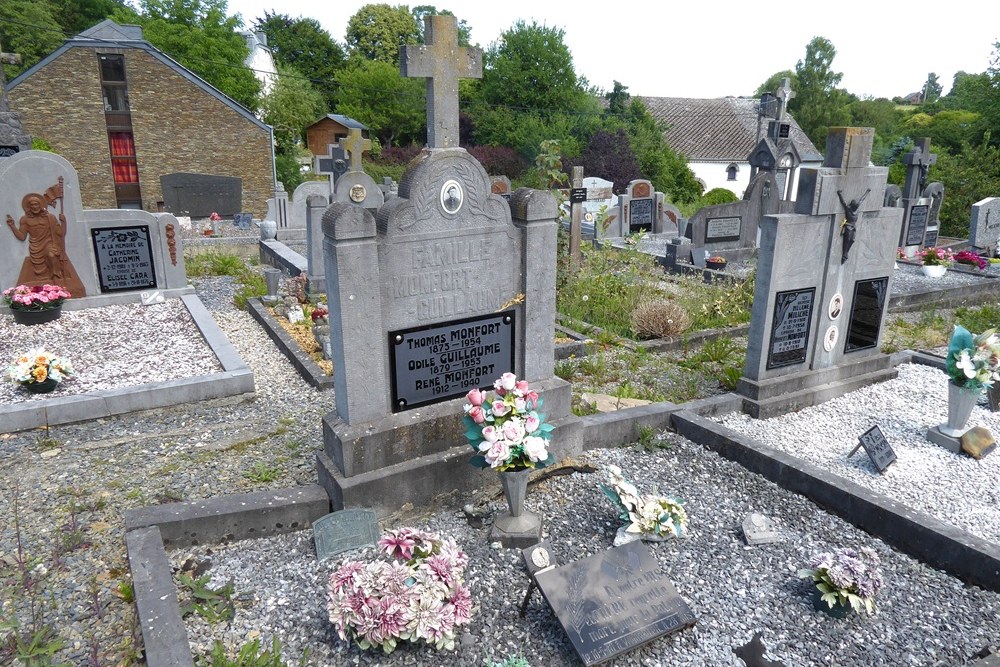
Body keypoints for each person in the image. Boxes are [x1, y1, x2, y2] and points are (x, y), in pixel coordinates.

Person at [6, 192, 86, 295]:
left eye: (37, 204)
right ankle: (46, 286)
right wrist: (12, 226)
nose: (35, 207)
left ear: (41, 205)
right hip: (35, 247)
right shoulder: (25, 219)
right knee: (40, 272)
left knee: (51, 255)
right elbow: (22, 236)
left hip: (49, 244)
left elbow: (60, 233)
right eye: (32, 205)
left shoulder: (50, 217)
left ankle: (57, 279)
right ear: (28, 207)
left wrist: (64, 222)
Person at [836, 188, 871, 263]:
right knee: (847, 240)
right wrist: (839, 194)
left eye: (857, 206)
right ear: (852, 206)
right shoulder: (848, 209)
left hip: (854, 227)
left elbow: (862, 199)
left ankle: (846, 252)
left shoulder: (856, 208)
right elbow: (843, 202)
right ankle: (844, 254)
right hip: (848, 226)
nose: (857, 207)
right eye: (855, 206)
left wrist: (867, 192)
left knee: (852, 240)